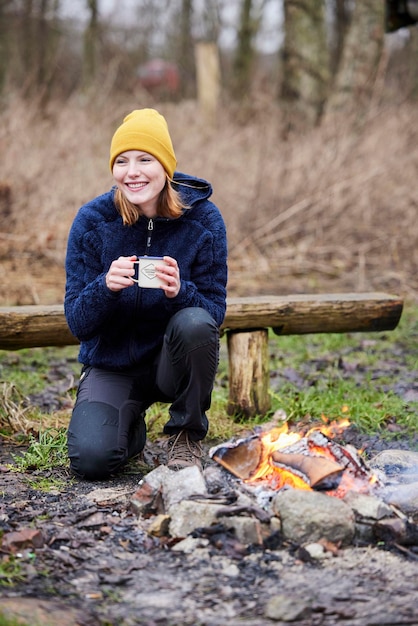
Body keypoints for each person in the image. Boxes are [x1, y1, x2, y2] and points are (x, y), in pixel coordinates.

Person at [64, 108, 228, 480]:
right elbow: (77, 321)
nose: (132, 171)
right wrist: (104, 287)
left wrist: (179, 291)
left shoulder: (204, 221)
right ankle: (129, 429)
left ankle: (185, 434)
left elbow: (213, 314)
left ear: (166, 166)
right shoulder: (92, 221)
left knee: (195, 322)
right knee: (91, 461)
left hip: (172, 362)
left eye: (144, 159)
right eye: (121, 161)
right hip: (113, 363)